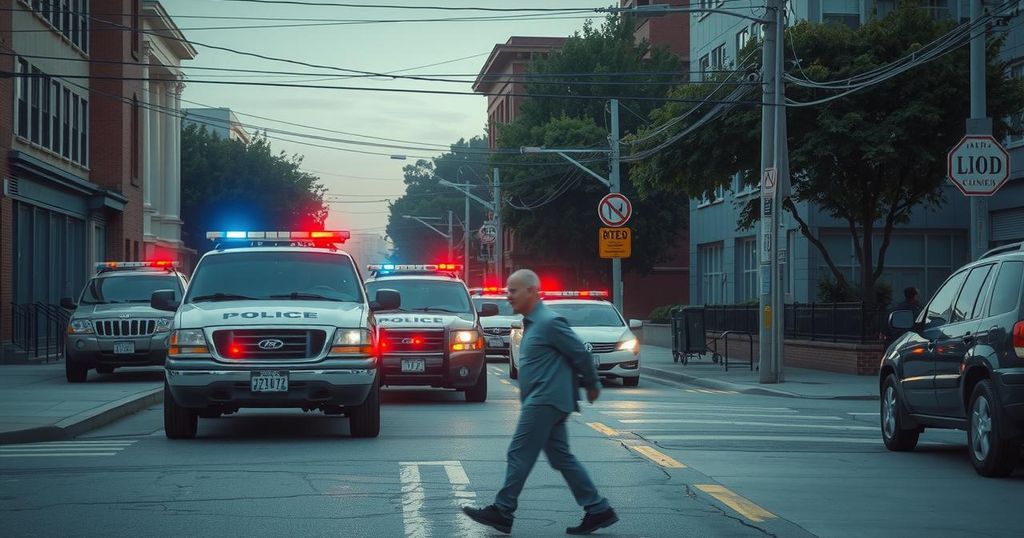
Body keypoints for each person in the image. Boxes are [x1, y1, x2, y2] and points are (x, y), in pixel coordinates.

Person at [462, 269, 618, 535]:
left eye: (513, 290)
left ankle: (503, 510)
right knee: (562, 458)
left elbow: (579, 352)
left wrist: (593, 383)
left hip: (545, 400)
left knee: (519, 453)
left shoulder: (549, 321)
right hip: (547, 400)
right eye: (508, 290)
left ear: (532, 291)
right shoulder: (533, 322)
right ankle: (598, 509)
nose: (507, 296)